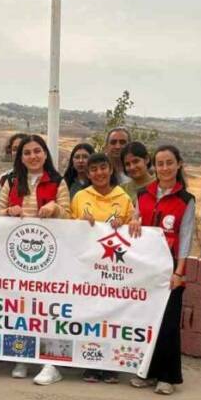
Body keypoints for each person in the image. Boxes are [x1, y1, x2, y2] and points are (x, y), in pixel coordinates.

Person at [0, 134, 70, 385]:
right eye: (26, 153)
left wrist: (55, 208)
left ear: (45, 154)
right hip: (18, 259)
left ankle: (51, 363)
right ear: (20, 157)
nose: (32, 156)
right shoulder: (11, 182)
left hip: (50, 260)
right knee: (20, 307)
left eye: (37, 151)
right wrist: (8, 211)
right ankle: (21, 356)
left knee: (49, 309)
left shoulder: (58, 182)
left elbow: (69, 216)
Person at [127, 145, 197, 395]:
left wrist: (180, 272)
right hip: (145, 269)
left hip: (169, 271)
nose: (164, 168)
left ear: (178, 164)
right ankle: (146, 371)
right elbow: (135, 220)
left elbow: (186, 237)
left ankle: (167, 376)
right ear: (153, 166)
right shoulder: (142, 193)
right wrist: (134, 219)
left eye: (169, 163)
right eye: (160, 163)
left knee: (167, 323)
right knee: (147, 321)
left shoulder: (186, 200)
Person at [69, 151, 132, 384]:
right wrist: (79, 224)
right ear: (88, 173)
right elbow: (67, 228)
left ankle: (111, 365)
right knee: (89, 315)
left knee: (112, 316)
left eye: (103, 168)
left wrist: (123, 225)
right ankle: (90, 365)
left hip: (113, 270)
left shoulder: (123, 198)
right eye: (94, 169)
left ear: (110, 169)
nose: (99, 173)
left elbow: (135, 230)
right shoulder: (80, 197)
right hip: (86, 268)